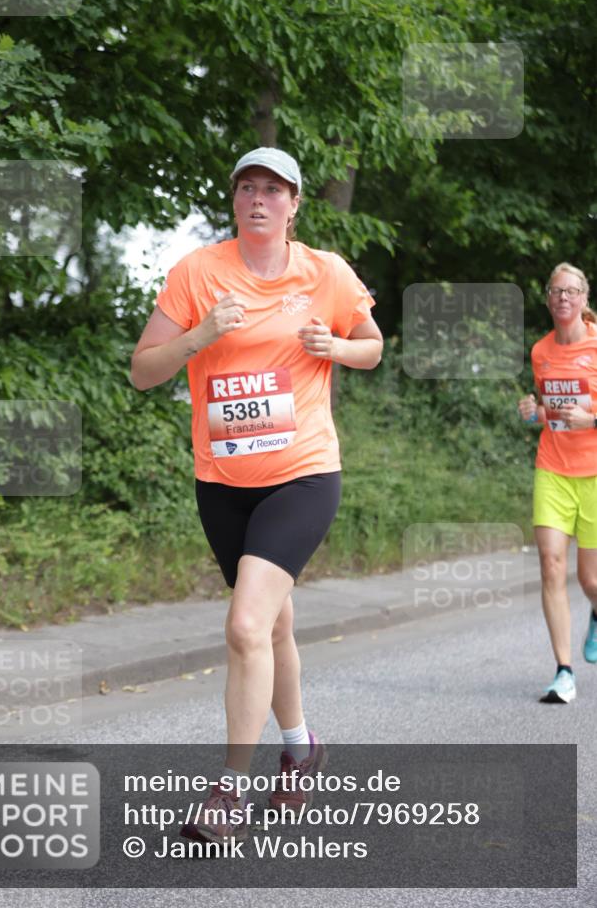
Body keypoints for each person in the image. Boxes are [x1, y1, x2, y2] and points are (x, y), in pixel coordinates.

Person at [131, 146, 383, 840]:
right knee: (271, 626)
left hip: (301, 474)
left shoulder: (323, 273)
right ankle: (301, 750)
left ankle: (227, 794)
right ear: (235, 201)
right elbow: (143, 372)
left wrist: (335, 350)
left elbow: (372, 345)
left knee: (244, 626)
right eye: (247, 187)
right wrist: (201, 334)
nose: (258, 198)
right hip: (222, 482)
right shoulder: (196, 273)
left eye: (273, 189)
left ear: (294, 204)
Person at [517, 262, 597, 703]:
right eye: (555, 291)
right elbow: (553, 410)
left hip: (596, 475)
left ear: (584, 299)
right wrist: (534, 411)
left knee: (591, 581)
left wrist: (593, 419)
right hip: (553, 467)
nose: (563, 298)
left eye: (571, 291)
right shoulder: (541, 351)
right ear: (548, 300)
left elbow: (583, 413)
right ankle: (563, 671)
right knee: (550, 564)